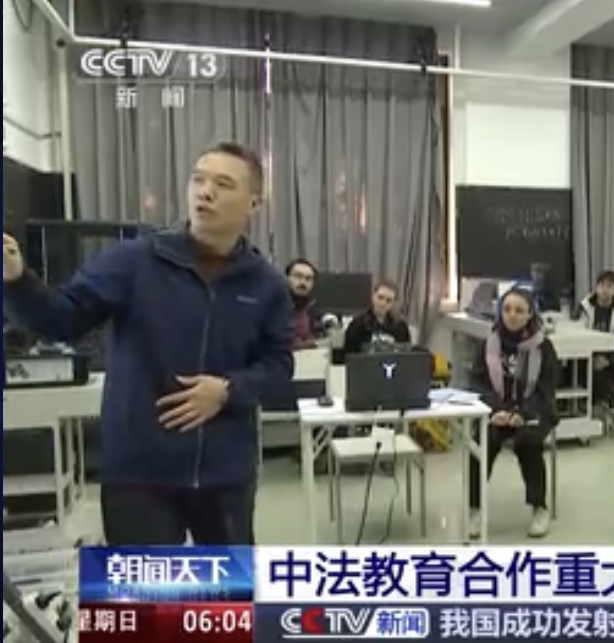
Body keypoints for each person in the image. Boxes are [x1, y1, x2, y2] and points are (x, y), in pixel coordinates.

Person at [2, 141, 294, 545]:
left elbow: (279, 368)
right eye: (198, 179)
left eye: (224, 184)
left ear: (254, 204)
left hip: (224, 473)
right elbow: (61, 319)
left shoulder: (266, 285)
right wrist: (16, 280)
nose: (205, 192)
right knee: (143, 587)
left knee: (227, 586)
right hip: (140, 473)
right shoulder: (136, 261)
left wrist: (228, 390)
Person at [468, 287, 559, 539]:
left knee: (528, 443)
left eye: (519, 310)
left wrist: (523, 414)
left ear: (530, 314)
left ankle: (539, 507)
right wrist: (495, 410)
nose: (512, 315)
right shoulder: (489, 344)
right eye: (507, 309)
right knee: (480, 443)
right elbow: (477, 384)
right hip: (496, 411)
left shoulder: (543, 347)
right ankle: (475, 509)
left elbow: (546, 390)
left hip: (533, 410)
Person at [578, 271, 614, 408]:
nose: (605, 290)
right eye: (602, 285)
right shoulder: (585, 307)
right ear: (596, 287)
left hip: (611, 356)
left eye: (609, 286)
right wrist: (592, 356)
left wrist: (608, 359)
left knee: (608, 369)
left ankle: (605, 404)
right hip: (587, 353)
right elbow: (579, 332)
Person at [342, 280, 412, 355]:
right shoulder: (357, 324)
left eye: (388, 300)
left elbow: (405, 355)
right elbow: (349, 355)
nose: (383, 303)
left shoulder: (401, 326)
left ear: (393, 303)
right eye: (380, 297)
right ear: (373, 297)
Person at [285, 258, 329, 349]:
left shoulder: (311, 309)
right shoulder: (275, 307)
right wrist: (312, 344)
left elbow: (321, 336)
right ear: (287, 278)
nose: (303, 283)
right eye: (298, 276)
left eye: (308, 279)